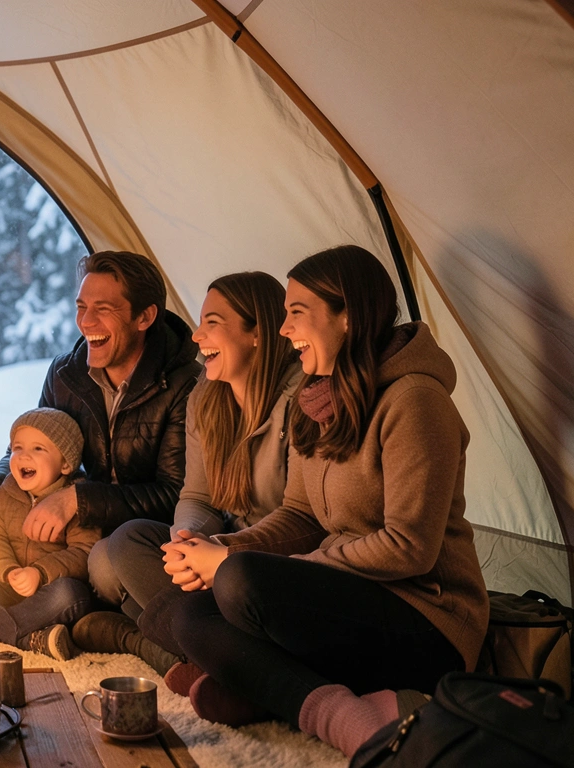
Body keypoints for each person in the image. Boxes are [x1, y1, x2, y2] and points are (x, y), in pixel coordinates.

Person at [138, 245, 488, 758]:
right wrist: (218, 545)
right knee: (184, 614)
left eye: (296, 314)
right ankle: (298, 693)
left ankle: (313, 706)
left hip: (426, 617)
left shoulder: (415, 401)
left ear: (347, 315)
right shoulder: (318, 398)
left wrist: (238, 562)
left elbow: (408, 548)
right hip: (349, 600)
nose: (283, 330)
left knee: (241, 582)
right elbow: (300, 516)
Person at [72, 272, 301, 682]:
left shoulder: (299, 403)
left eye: (212, 323)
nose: (197, 336)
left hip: (270, 562)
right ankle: (209, 650)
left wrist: (218, 550)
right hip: (214, 553)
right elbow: (197, 496)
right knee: (124, 544)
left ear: (258, 334)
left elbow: (301, 520)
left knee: (210, 586)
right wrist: (186, 539)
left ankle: (166, 650)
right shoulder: (207, 397)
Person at [0, 251, 202, 610]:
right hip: (67, 542)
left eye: (103, 309)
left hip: (137, 540)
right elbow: (29, 445)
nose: (86, 321)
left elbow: (174, 495)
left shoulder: (182, 385)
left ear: (144, 317)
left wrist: (75, 500)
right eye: (81, 306)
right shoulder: (66, 375)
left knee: (102, 565)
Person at [0, 408, 99, 661]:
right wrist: (6, 569)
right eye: (17, 448)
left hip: (47, 593)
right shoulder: (7, 490)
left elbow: (83, 552)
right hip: (8, 584)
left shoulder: (77, 500)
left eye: (38, 449)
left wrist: (40, 572)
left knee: (71, 594)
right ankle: (29, 639)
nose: (24, 456)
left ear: (66, 463)